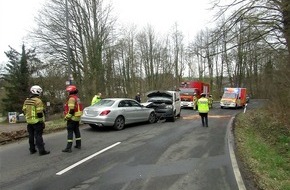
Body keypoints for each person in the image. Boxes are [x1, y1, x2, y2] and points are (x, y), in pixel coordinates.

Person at [22, 85, 50, 156]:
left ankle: (32, 149)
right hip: (37, 121)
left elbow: (24, 110)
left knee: (31, 135)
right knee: (38, 136)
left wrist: (28, 117)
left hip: (29, 121)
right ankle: (41, 151)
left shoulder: (27, 100)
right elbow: (39, 113)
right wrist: (41, 121)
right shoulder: (38, 101)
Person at [62, 85, 83, 153]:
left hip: (72, 118)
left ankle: (68, 148)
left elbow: (71, 110)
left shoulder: (71, 99)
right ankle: (78, 145)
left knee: (70, 132)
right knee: (77, 131)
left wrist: (67, 117)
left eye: (68, 91)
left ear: (70, 91)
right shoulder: (77, 98)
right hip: (77, 117)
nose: (67, 93)